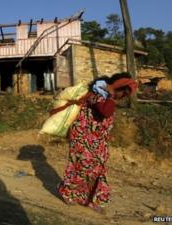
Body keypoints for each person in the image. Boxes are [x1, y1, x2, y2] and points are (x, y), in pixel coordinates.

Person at [57, 72, 138, 214]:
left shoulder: (105, 95)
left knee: (98, 170)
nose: (123, 96)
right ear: (116, 87)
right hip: (83, 138)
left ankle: (93, 200)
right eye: (123, 92)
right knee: (80, 167)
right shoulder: (98, 94)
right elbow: (105, 112)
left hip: (97, 140)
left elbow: (104, 118)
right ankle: (68, 193)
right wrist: (111, 95)